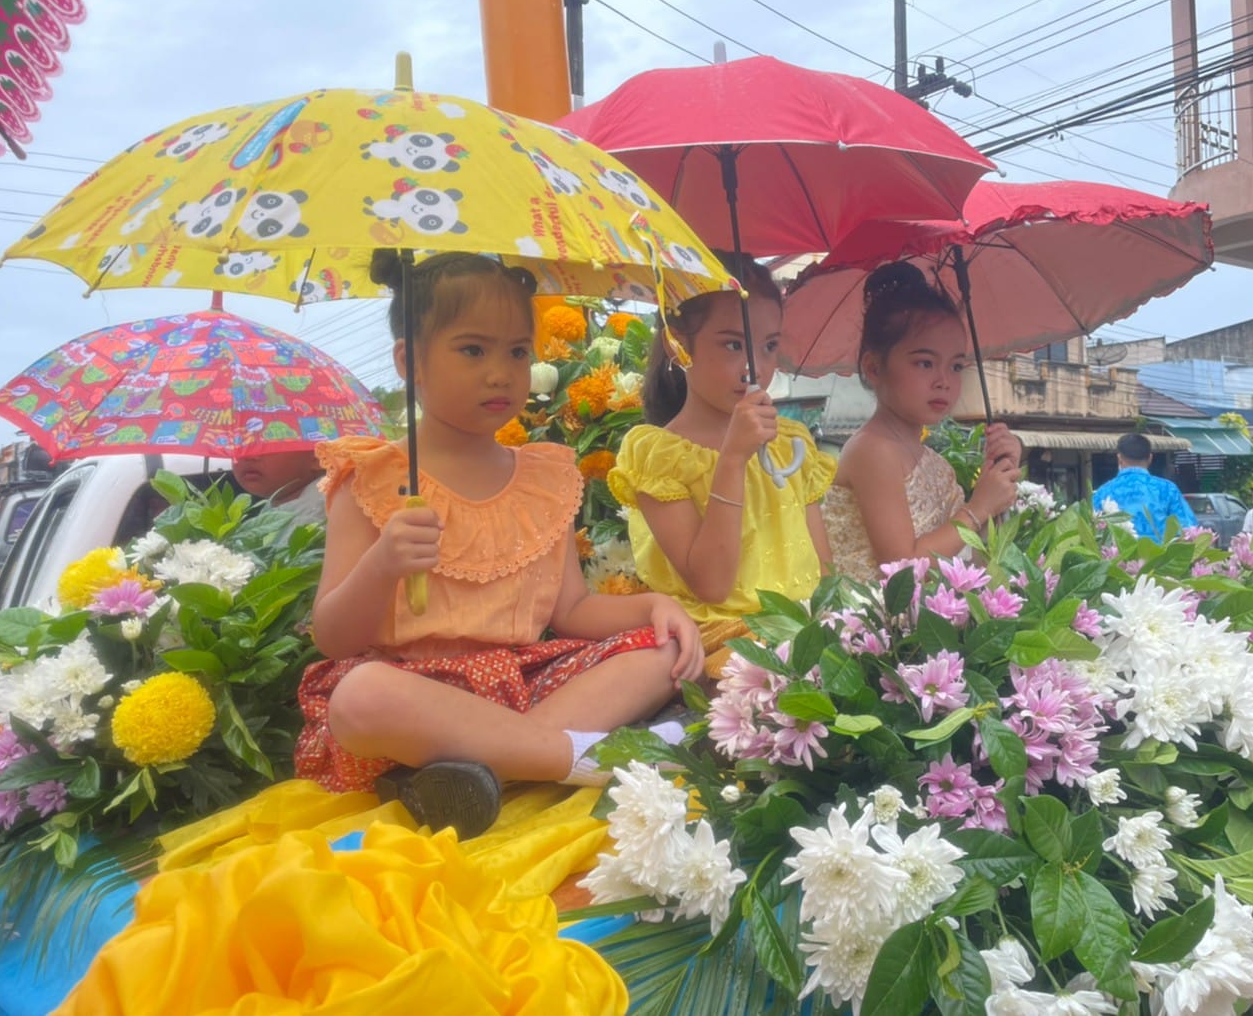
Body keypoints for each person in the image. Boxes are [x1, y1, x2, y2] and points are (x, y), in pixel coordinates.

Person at [295, 250, 704, 838]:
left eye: (517, 351)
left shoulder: (544, 475)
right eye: (472, 350)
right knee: (361, 696)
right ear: (410, 361)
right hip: (412, 703)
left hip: (521, 689)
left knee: (660, 653)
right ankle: (579, 760)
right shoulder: (373, 478)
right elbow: (333, 638)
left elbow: (572, 611)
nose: (501, 372)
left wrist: (653, 607)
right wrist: (382, 565)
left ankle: (482, 771)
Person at [609, 252, 836, 679]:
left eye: (769, 346)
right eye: (733, 344)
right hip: (722, 644)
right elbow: (711, 584)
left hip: (805, 632)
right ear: (679, 344)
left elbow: (822, 567)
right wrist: (733, 460)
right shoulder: (659, 454)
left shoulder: (791, 443)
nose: (756, 367)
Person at [822, 263, 1021, 580]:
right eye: (925, 363)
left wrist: (997, 485)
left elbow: (970, 562)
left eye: (956, 366)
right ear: (874, 368)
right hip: (872, 623)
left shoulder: (935, 463)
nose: (943, 380)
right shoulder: (873, 450)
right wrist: (978, 507)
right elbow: (903, 570)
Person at [1090, 432, 1197, 541]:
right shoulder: (1167, 489)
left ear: (1119, 458)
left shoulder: (1103, 492)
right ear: (1150, 458)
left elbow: (1093, 533)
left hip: (1118, 556)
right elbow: (1188, 530)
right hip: (1161, 557)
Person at [231, 449, 326, 526]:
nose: (249, 456)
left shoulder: (321, 516)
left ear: (319, 457)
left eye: (268, 445)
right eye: (241, 444)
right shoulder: (281, 502)